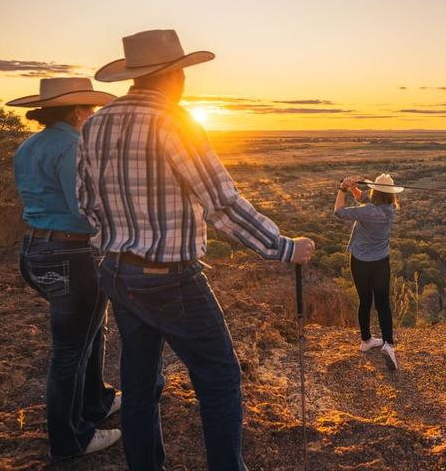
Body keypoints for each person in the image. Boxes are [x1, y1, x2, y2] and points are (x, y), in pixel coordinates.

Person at [77, 29, 315, 471]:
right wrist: (283, 247)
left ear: (134, 76)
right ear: (174, 76)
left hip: (116, 272)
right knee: (220, 379)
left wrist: (118, 242)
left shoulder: (95, 123)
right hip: (170, 279)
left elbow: (86, 202)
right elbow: (221, 203)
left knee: (140, 380)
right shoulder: (174, 121)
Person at [8, 78, 121, 460]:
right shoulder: (73, 145)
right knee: (71, 349)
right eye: (89, 108)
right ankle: (71, 440)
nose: (93, 114)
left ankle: (97, 402)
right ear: (76, 111)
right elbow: (83, 210)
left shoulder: (29, 145)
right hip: (71, 254)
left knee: (92, 330)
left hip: (36, 251)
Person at [334, 173, 402, 370]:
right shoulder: (389, 208)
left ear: (375, 192)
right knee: (382, 304)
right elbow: (362, 197)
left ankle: (366, 340)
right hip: (380, 263)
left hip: (360, 262)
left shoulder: (370, 212)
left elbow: (339, 211)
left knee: (365, 301)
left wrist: (342, 189)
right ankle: (388, 344)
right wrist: (354, 187)